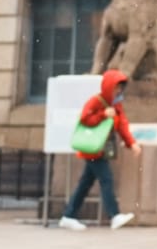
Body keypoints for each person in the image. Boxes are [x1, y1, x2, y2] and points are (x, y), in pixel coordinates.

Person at [58, 68, 138, 231]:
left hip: (101, 148)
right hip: (92, 148)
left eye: (121, 88)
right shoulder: (97, 101)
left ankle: (68, 215)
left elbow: (122, 124)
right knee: (106, 180)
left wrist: (131, 143)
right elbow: (85, 119)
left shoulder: (116, 105)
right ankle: (114, 215)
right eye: (117, 87)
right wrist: (103, 114)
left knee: (85, 183)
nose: (119, 91)